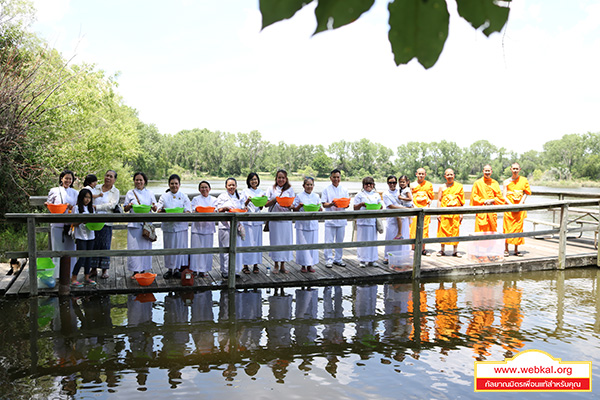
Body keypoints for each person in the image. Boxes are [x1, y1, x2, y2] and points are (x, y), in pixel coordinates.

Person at [157, 174, 192, 279]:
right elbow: (158, 209)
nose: (174, 185)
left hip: (181, 227)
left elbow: (188, 210)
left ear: (179, 184)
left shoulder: (184, 196)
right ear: (169, 184)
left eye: (176, 183)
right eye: (172, 183)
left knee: (179, 248)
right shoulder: (164, 196)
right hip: (168, 227)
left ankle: (177, 269)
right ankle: (169, 269)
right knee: (169, 247)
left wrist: (182, 212)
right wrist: (164, 210)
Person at [123, 172, 157, 276]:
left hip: (146, 224)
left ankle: (143, 270)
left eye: (141, 180)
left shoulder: (150, 193)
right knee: (134, 247)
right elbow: (125, 208)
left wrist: (153, 206)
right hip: (134, 224)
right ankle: (135, 271)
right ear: (134, 181)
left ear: (145, 181)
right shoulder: (130, 193)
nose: (138, 182)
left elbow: (155, 208)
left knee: (145, 247)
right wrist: (129, 205)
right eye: (136, 180)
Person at [45, 170, 78, 272]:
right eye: (66, 178)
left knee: (71, 250)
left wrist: (71, 207)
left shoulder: (75, 192)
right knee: (57, 250)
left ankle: (71, 273)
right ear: (61, 178)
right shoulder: (54, 190)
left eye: (70, 179)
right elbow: (49, 204)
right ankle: (57, 274)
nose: (68, 180)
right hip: (57, 224)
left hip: (71, 225)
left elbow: (77, 207)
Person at [90, 170, 120, 279]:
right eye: (107, 175)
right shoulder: (96, 188)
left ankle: (104, 270)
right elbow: (89, 198)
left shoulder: (115, 191)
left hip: (106, 221)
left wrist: (97, 207)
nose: (108, 178)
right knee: (93, 245)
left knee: (105, 245)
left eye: (111, 176)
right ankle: (93, 269)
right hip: (93, 221)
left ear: (114, 180)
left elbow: (112, 205)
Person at [265, 170, 294, 274]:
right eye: (279, 178)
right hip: (274, 220)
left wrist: (289, 204)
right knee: (275, 241)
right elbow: (265, 204)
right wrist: (275, 200)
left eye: (283, 178)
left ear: (286, 179)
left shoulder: (290, 189)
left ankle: (283, 265)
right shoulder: (271, 189)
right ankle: (276, 265)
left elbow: (293, 205)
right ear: (276, 178)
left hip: (286, 220)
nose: (281, 180)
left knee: (286, 242)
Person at [215, 177, 246, 278]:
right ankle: (225, 272)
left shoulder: (239, 196)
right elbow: (217, 210)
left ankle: (235, 271)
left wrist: (244, 208)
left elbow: (243, 208)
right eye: (229, 185)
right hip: (225, 227)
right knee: (226, 250)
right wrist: (224, 208)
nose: (231, 187)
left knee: (235, 249)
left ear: (236, 186)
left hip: (236, 226)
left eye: (233, 185)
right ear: (226, 186)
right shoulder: (221, 196)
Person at [321, 169, 350, 268]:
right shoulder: (326, 190)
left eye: (338, 177)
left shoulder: (344, 189)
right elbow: (324, 204)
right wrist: (332, 204)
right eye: (334, 177)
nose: (336, 179)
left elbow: (347, 204)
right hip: (330, 219)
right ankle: (328, 259)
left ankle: (338, 259)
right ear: (330, 178)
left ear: (340, 178)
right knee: (329, 240)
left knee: (340, 240)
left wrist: (344, 204)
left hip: (341, 218)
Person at [292, 177, 321, 273]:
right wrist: (299, 206)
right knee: (302, 244)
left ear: (313, 186)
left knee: (312, 244)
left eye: (311, 184)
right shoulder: (299, 196)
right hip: (302, 224)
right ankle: (303, 265)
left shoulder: (316, 196)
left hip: (313, 224)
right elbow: (294, 209)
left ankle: (310, 265)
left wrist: (319, 208)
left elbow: (320, 209)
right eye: (307, 184)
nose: (309, 186)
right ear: (303, 185)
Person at [190, 181, 218, 277]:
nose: (204, 189)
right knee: (196, 249)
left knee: (206, 250)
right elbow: (193, 209)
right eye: (202, 187)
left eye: (206, 187)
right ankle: (194, 269)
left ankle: (203, 270)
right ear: (199, 189)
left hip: (209, 228)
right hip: (197, 228)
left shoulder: (214, 199)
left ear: (210, 189)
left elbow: (216, 210)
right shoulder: (195, 199)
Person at [503, 163, 531, 257]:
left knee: (518, 229)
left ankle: (516, 250)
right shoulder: (506, 182)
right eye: (513, 168)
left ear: (519, 169)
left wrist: (520, 204)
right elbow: (504, 196)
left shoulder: (523, 180)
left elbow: (526, 193)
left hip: (519, 208)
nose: (515, 170)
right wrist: (511, 205)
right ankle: (506, 249)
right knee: (507, 228)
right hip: (509, 209)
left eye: (517, 169)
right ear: (511, 169)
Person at [353, 177, 382, 267]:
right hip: (363, 222)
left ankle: (372, 260)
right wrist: (361, 204)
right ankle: (362, 260)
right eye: (366, 184)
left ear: (373, 185)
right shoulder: (359, 195)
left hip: (372, 221)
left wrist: (378, 206)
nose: (369, 185)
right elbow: (355, 208)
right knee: (363, 240)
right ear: (363, 185)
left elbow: (380, 206)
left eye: (370, 184)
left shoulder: (376, 195)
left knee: (373, 241)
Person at [382, 175, 410, 265]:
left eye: (394, 182)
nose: (392, 184)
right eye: (390, 183)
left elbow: (409, 199)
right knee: (390, 237)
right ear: (387, 183)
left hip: (403, 218)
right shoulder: (386, 193)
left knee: (403, 237)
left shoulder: (401, 191)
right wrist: (403, 208)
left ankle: (402, 257)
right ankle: (387, 257)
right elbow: (390, 205)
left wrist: (408, 207)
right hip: (392, 218)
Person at [436, 168, 465, 257]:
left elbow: (461, 201)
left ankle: (455, 250)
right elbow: (439, 200)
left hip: (455, 212)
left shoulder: (459, 186)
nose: (449, 176)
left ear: (454, 176)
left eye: (451, 174)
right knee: (442, 230)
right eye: (448, 175)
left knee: (455, 230)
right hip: (444, 212)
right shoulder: (442, 187)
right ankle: (442, 250)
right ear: (445, 176)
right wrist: (438, 212)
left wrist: (461, 213)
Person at [241, 172, 266, 274]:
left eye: (255, 179)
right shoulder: (245, 191)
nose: (254, 181)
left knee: (257, 242)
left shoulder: (261, 192)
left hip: (258, 220)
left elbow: (260, 207)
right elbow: (242, 205)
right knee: (246, 242)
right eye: (251, 180)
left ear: (258, 180)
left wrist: (261, 202)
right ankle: (245, 266)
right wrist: (247, 201)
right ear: (248, 181)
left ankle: (256, 265)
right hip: (248, 220)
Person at [71, 189, 96, 287]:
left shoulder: (92, 209)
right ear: (81, 197)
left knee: (89, 257)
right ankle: (74, 278)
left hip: (91, 235)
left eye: (89, 198)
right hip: (80, 235)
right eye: (85, 197)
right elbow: (73, 223)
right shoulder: (76, 208)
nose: (87, 200)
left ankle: (87, 277)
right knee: (81, 257)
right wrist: (82, 221)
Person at [470, 164, 505, 232]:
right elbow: (474, 198)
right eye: (486, 171)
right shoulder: (477, 183)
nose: (487, 173)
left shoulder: (495, 183)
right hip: (481, 212)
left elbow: (500, 198)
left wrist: (492, 200)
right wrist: (485, 201)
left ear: (491, 172)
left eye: (488, 171)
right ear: (483, 171)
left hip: (492, 211)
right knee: (480, 234)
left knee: (492, 233)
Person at [409, 168, 434, 255]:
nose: (421, 175)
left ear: (425, 175)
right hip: (415, 209)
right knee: (413, 229)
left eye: (422, 174)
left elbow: (431, 197)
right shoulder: (412, 185)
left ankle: (423, 249)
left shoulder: (428, 185)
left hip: (425, 210)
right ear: (416, 174)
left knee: (424, 229)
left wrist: (427, 206)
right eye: (419, 173)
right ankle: (413, 248)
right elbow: (409, 198)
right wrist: (414, 206)